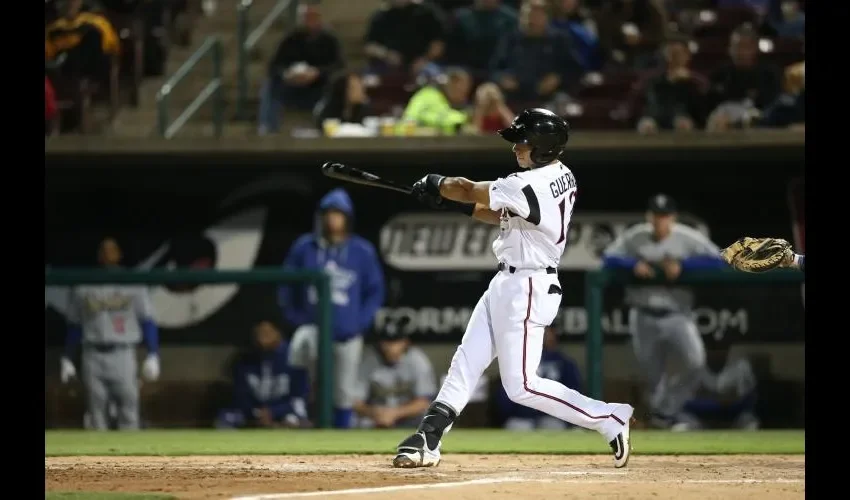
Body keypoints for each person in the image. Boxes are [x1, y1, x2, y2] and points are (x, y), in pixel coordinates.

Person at [392, 107, 635, 469]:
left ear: (543, 146)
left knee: (521, 385)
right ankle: (429, 436)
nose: (516, 148)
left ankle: (607, 418)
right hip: (509, 281)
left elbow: (466, 188)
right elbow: (503, 213)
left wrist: (435, 183)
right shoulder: (559, 174)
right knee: (467, 359)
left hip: (528, 285)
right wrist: (453, 205)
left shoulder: (528, 183)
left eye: (523, 142)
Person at [601, 194, 726, 429]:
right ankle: (661, 421)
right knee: (651, 377)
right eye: (656, 216)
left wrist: (684, 266)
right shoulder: (636, 236)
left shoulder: (686, 237)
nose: (660, 221)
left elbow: (718, 260)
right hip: (643, 314)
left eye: (664, 216)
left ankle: (665, 412)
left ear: (673, 217)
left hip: (677, 314)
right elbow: (608, 258)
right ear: (650, 217)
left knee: (695, 363)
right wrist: (632, 264)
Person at [279, 188, 386, 429]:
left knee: (343, 392)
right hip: (314, 327)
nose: (332, 219)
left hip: (347, 333)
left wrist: (360, 323)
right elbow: (286, 285)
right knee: (300, 342)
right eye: (328, 213)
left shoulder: (361, 250)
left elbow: (375, 291)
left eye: (338, 214)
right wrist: (295, 318)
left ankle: (339, 438)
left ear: (347, 218)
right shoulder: (305, 247)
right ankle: (296, 405)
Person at [60, 237, 161, 431]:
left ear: (119, 254)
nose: (108, 254)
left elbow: (147, 321)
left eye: (112, 249)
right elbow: (75, 325)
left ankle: (130, 460)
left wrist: (153, 354)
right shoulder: (84, 286)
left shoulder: (133, 284)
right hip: (92, 354)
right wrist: (68, 356)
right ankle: (99, 462)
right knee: (95, 414)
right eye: (103, 250)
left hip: (122, 353)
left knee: (129, 411)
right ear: (98, 255)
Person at [258, 3, 343, 135]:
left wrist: (317, 73)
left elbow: (338, 66)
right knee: (270, 85)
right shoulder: (290, 39)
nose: (310, 20)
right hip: (293, 87)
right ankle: (268, 129)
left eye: (313, 16)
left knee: (337, 85)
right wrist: (286, 74)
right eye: (306, 17)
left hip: (319, 88)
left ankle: (327, 128)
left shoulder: (329, 40)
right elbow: (274, 66)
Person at [216, 321, 310, 429]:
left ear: (278, 332)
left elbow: (299, 399)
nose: (263, 337)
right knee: (226, 418)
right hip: (254, 414)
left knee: (293, 420)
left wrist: (274, 412)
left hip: (285, 411)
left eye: (267, 332)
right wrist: (258, 413)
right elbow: (240, 397)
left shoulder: (293, 357)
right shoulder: (245, 360)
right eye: (259, 332)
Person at [490, 0, 585, 102]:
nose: (530, 20)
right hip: (515, 94)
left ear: (546, 18)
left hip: (551, 95)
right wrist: (502, 78)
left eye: (536, 16)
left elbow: (576, 69)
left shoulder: (559, 39)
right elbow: (494, 68)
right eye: (526, 15)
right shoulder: (510, 39)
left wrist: (558, 78)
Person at [496, 325, 584, 430]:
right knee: (517, 426)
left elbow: (573, 393)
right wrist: (507, 415)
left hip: (552, 417)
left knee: (552, 426)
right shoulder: (519, 361)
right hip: (522, 417)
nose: (544, 336)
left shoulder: (565, 363)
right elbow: (506, 393)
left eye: (547, 332)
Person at [352, 329, 437, 429]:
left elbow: (425, 401)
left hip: (408, 416)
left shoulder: (417, 360)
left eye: (395, 342)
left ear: (405, 343)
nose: (390, 347)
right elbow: (355, 403)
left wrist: (395, 413)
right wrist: (373, 412)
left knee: (428, 418)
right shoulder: (368, 360)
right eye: (386, 342)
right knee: (358, 420)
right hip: (376, 417)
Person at [705, 24, 781, 132]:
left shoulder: (769, 75)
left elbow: (771, 107)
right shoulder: (719, 75)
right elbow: (709, 106)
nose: (739, 52)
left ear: (755, 48)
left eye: (744, 47)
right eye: (735, 47)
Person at [635, 35, 708, 134]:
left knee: (684, 125)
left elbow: (704, 99)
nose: (673, 59)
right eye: (670, 54)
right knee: (646, 125)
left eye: (678, 54)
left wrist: (690, 79)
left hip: (682, 117)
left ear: (687, 56)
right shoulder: (651, 78)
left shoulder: (694, 80)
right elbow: (637, 100)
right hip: (653, 117)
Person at [364, 0, 448, 77]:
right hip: (388, 64)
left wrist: (424, 60)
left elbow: (438, 43)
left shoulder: (427, 12)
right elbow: (369, 46)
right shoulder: (381, 16)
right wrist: (386, 54)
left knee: (433, 74)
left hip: (424, 63)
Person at [449, 0, 519, 75]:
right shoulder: (460, 18)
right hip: (464, 73)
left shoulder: (512, 20)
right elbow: (451, 55)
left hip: (499, 75)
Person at [402, 68, 473, 135]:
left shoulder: (447, 99)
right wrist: (464, 121)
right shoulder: (429, 95)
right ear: (452, 83)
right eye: (462, 90)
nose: (464, 95)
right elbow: (443, 119)